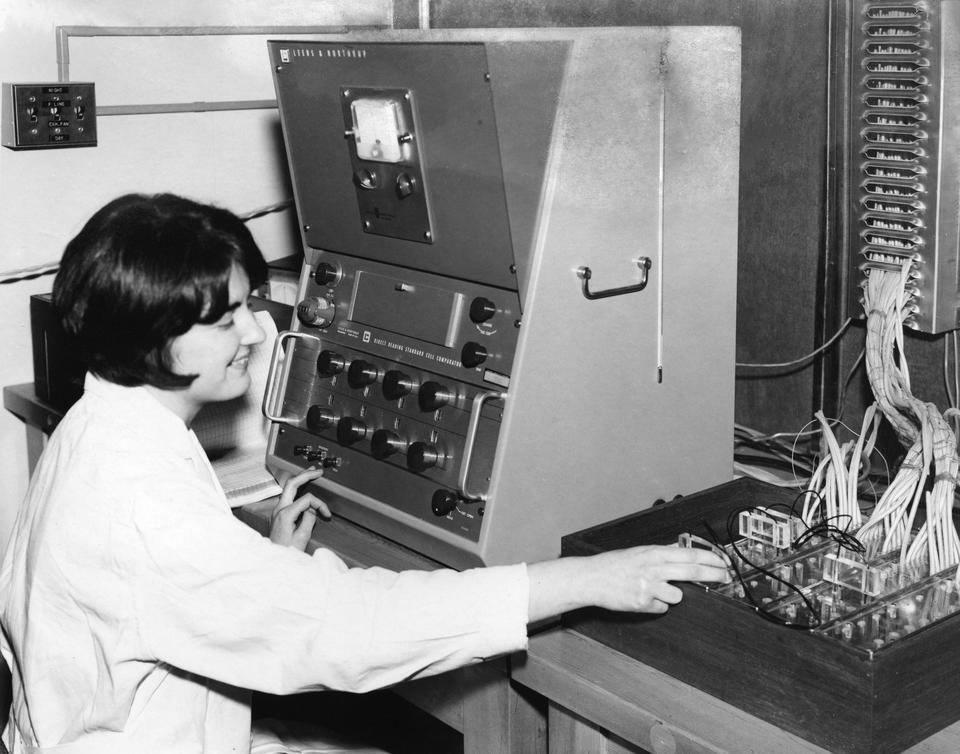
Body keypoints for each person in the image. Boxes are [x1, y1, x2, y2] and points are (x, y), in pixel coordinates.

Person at [0, 193, 729, 754]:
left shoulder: (99, 426)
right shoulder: (140, 500)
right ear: (153, 340)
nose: (260, 329)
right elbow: (351, 626)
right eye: (227, 320)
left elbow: (160, 593)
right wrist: (586, 579)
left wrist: (263, 563)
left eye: (253, 301)